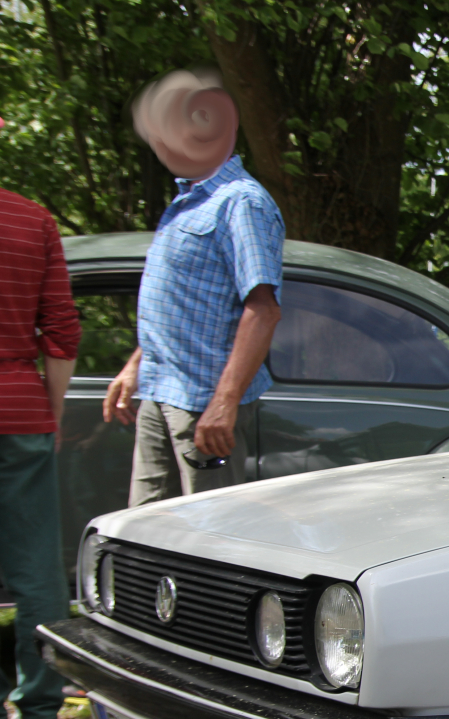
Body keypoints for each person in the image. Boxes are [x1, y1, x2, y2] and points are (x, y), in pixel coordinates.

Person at [103, 74, 283, 504]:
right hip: (159, 389)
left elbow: (263, 309)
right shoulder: (187, 201)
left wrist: (223, 403)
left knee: (208, 541)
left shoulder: (242, 202)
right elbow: (178, 302)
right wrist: (135, 365)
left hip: (203, 403)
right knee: (142, 532)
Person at [0, 111, 81, 719]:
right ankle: (43, 715)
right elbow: (62, 332)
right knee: (37, 568)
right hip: (18, 405)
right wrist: (47, 410)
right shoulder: (31, 219)